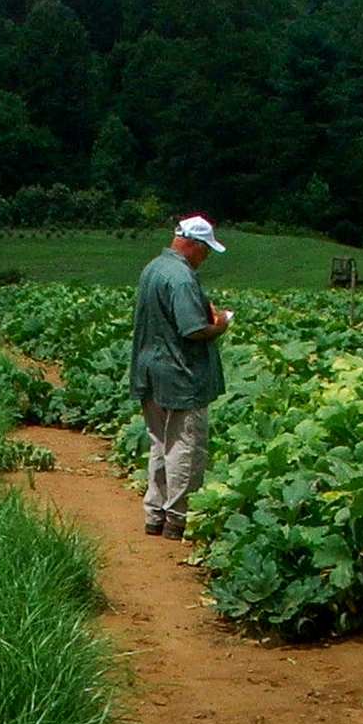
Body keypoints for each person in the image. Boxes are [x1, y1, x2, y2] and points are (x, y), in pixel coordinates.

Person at [130, 214, 232, 538]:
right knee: (185, 446)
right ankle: (178, 519)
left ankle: (154, 515)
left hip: (150, 369)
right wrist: (221, 325)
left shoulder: (154, 268)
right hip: (180, 374)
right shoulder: (182, 278)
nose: (206, 258)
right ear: (192, 244)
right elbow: (193, 330)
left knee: (159, 443)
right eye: (205, 250)